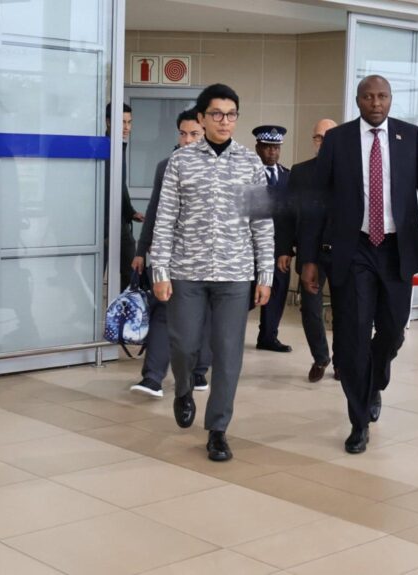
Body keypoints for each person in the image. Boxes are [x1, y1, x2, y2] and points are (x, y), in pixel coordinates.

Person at [300, 75, 418, 454]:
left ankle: (376, 378)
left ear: (390, 99)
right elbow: (317, 201)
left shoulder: (411, 137)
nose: (376, 103)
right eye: (368, 96)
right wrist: (309, 258)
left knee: (392, 332)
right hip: (353, 252)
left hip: (397, 252)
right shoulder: (338, 141)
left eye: (382, 96)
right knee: (352, 338)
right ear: (357, 101)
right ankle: (358, 419)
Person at [148, 84, 274, 462]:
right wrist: (160, 269)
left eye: (231, 113)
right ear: (201, 118)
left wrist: (264, 274)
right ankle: (184, 388)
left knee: (228, 354)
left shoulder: (251, 163)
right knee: (184, 345)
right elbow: (164, 219)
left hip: (235, 274)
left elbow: (262, 224)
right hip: (187, 271)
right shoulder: (181, 162)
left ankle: (218, 429)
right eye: (216, 113)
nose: (224, 120)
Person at [129, 108, 212, 398]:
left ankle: (198, 371)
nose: (187, 140)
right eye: (183, 133)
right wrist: (141, 249)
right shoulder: (166, 166)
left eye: (194, 134)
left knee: (205, 316)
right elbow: (153, 209)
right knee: (163, 312)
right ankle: (152, 378)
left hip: (209, 260)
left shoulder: (219, 167)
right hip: (171, 257)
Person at [278, 118, 338, 381]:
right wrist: (284, 249)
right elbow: (288, 214)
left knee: (346, 310)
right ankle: (321, 357)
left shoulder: (351, 171)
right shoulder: (300, 172)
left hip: (343, 253)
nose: (322, 142)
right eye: (318, 137)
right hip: (310, 252)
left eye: (328, 137)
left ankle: (343, 361)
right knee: (310, 308)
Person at [253, 124, 293, 353]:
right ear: (258, 147)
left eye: (276, 148)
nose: (272, 152)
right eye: (268, 147)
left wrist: (288, 248)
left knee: (277, 291)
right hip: (250, 246)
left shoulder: (288, 176)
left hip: (279, 247)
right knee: (246, 293)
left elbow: (291, 215)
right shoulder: (248, 174)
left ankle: (268, 336)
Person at [105, 103, 145, 294]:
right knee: (125, 270)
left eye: (129, 122)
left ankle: (124, 312)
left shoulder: (119, 147)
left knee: (130, 271)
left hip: (119, 221)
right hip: (105, 223)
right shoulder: (105, 148)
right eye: (122, 122)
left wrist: (130, 212)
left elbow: (119, 186)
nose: (127, 127)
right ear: (108, 122)